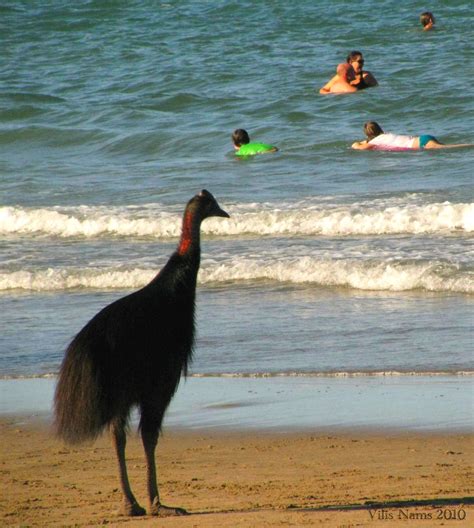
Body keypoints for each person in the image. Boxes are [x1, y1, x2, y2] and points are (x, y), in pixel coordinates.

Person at [352, 121, 474, 150]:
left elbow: (359, 147)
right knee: (446, 147)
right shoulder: (385, 135)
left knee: (450, 147)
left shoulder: (376, 142)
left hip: (421, 143)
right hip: (422, 138)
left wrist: (356, 144)